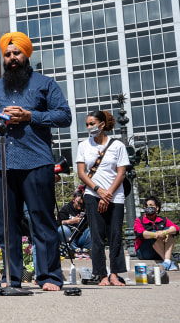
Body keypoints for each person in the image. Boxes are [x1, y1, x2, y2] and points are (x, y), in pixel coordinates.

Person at [0, 32, 71, 291]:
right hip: (2, 165)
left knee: (43, 222)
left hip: (37, 162)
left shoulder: (45, 84)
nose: (12, 58)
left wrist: (30, 116)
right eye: (8, 54)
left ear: (27, 55)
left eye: (17, 53)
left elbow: (64, 116)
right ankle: (11, 278)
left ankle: (49, 277)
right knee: (7, 225)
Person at [76, 110, 129, 286]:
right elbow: (82, 174)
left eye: (92, 124)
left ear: (102, 124)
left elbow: (121, 174)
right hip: (93, 195)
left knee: (115, 235)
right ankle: (101, 275)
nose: (90, 127)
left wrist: (108, 194)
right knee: (96, 236)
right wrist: (99, 190)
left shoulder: (118, 146)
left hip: (115, 196)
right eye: (87, 125)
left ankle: (114, 274)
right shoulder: (84, 146)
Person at [134, 196, 179, 271]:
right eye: (146, 206)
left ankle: (167, 262)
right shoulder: (139, 220)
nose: (148, 207)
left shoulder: (164, 220)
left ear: (157, 208)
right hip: (145, 252)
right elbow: (139, 232)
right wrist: (155, 234)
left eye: (151, 205)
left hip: (160, 251)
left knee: (168, 231)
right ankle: (168, 262)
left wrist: (164, 232)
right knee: (154, 233)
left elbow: (176, 228)